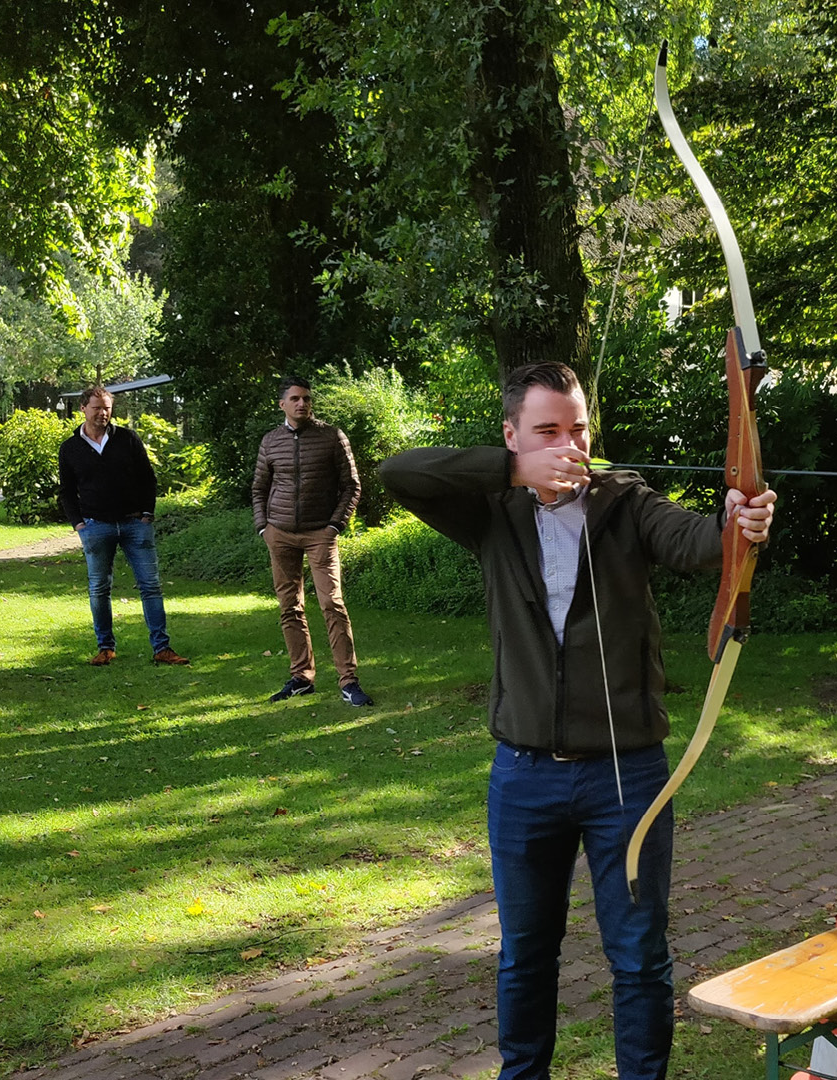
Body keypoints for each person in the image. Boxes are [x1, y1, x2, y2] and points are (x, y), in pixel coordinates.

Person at [380, 361, 775, 1080]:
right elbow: (399, 471)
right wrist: (514, 471)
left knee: (639, 956)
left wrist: (736, 521)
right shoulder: (492, 511)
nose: (570, 444)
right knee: (525, 956)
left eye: (579, 427)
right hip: (524, 775)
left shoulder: (624, 500)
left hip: (627, 776)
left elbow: (693, 541)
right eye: (548, 431)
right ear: (512, 436)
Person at [252, 377, 372, 706]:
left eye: (305, 398)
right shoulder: (271, 440)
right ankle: (301, 677)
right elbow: (259, 487)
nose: (302, 403)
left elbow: (352, 485)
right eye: (294, 399)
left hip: (321, 533)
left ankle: (348, 680)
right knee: (290, 607)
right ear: (282, 404)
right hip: (280, 533)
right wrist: (264, 527)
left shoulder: (331, 436)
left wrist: (336, 525)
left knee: (332, 604)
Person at [57, 387, 188, 667]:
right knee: (99, 589)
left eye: (107, 408)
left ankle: (162, 648)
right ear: (83, 408)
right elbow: (66, 491)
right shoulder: (70, 448)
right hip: (95, 526)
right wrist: (78, 523)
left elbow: (147, 478)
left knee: (150, 586)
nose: (103, 413)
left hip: (134, 524)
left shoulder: (127, 439)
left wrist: (147, 514)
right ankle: (105, 648)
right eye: (97, 407)